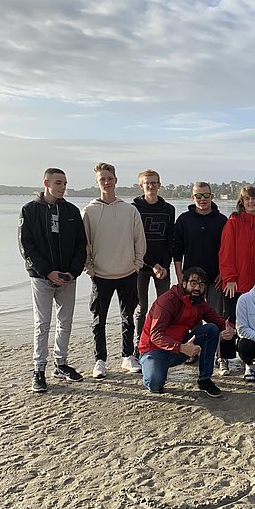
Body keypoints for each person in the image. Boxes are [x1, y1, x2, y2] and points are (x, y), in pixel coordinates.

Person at [18, 167, 87, 392]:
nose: (63, 187)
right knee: (42, 323)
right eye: (58, 183)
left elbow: (81, 245)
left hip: (68, 277)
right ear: (46, 182)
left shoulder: (71, 211)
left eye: (65, 183)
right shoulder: (30, 210)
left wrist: (73, 272)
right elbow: (26, 247)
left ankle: (61, 363)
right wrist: (48, 272)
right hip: (41, 277)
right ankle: (39, 369)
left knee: (65, 321)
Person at [82, 162, 146, 379]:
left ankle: (128, 356)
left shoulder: (130, 210)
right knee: (98, 320)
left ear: (116, 180)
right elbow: (85, 243)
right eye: (102, 179)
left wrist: (136, 264)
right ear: (97, 182)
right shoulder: (89, 211)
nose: (106, 182)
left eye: (109, 178)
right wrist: (89, 268)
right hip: (101, 275)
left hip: (127, 272)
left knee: (128, 317)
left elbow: (139, 240)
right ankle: (100, 360)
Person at [137, 267, 235, 398]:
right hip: (154, 349)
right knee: (155, 385)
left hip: (180, 348)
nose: (198, 288)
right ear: (184, 284)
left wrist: (229, 330)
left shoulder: (200, 303)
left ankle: (205, 380)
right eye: (193, 283)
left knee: (211, 329)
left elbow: (218, 321)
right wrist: (182, 347)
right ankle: (148, 364)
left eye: (201, 284)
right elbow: (155, 335)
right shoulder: (167, 300)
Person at [218, 185, 255, 376]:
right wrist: (230, 279)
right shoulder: (233, 223)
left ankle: (249, 357)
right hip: (235, 284)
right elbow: (226, 253)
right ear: (241, 202)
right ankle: (224, 358)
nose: (250, 202)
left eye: (254, 199)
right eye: (247, 199)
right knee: (229, 321)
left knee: (253, 323)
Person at [132, 169, 175, 359]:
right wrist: (153, 264)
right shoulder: (134, 208)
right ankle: (140, 344)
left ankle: (161, 341)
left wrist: (164, 265)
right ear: (141, 185)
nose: (150, 186)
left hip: (163, 269)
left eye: (154, 182)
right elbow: (134, 241)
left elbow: (170, 240)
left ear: (159, 184)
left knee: (164, 306)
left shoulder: (168, 209)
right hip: (140, 266)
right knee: (141, 307)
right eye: (147, 183)